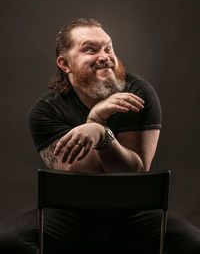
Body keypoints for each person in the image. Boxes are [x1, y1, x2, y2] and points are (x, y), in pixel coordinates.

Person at [0, 18, 200, 253]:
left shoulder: (137, 93)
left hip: (134, 210)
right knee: (9, 242)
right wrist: (95, 121)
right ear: (65, 64)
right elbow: (84, 177)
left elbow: (133, 173)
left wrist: (99, 129)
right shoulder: (46, 110)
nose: (105, 56)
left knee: (193, 244)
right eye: (90, 50)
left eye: (108, 47)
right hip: (71, 211)